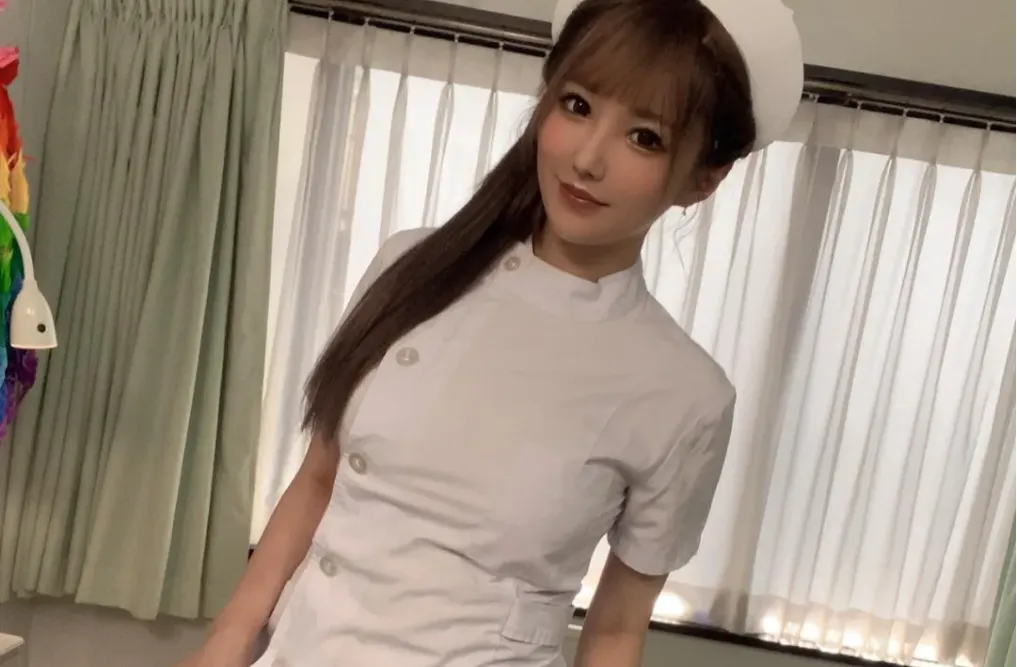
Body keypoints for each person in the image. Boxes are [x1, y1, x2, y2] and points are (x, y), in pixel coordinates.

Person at [182, 0, 803, 665]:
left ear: (704, 179)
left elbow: (617, 629)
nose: (587, 157)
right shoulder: (410, 266)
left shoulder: (686, 396)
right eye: (577, 105)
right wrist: (226, 642)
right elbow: (319, 479)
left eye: (644, 137)